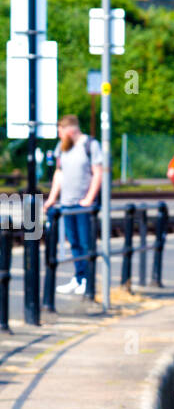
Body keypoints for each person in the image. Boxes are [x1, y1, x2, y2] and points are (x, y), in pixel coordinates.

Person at [43, 114, 102, 295]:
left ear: (70, 129)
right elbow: (59, 174)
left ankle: (87, 280)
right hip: (67, 203)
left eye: (60, 130)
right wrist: (53, 198)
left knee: (86, 243)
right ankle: (79, 277)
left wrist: (89, 199)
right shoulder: (62, 147)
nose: (59, 135)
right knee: (74, 243)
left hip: (83, 204)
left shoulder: (90, 145)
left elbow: (97, 172)